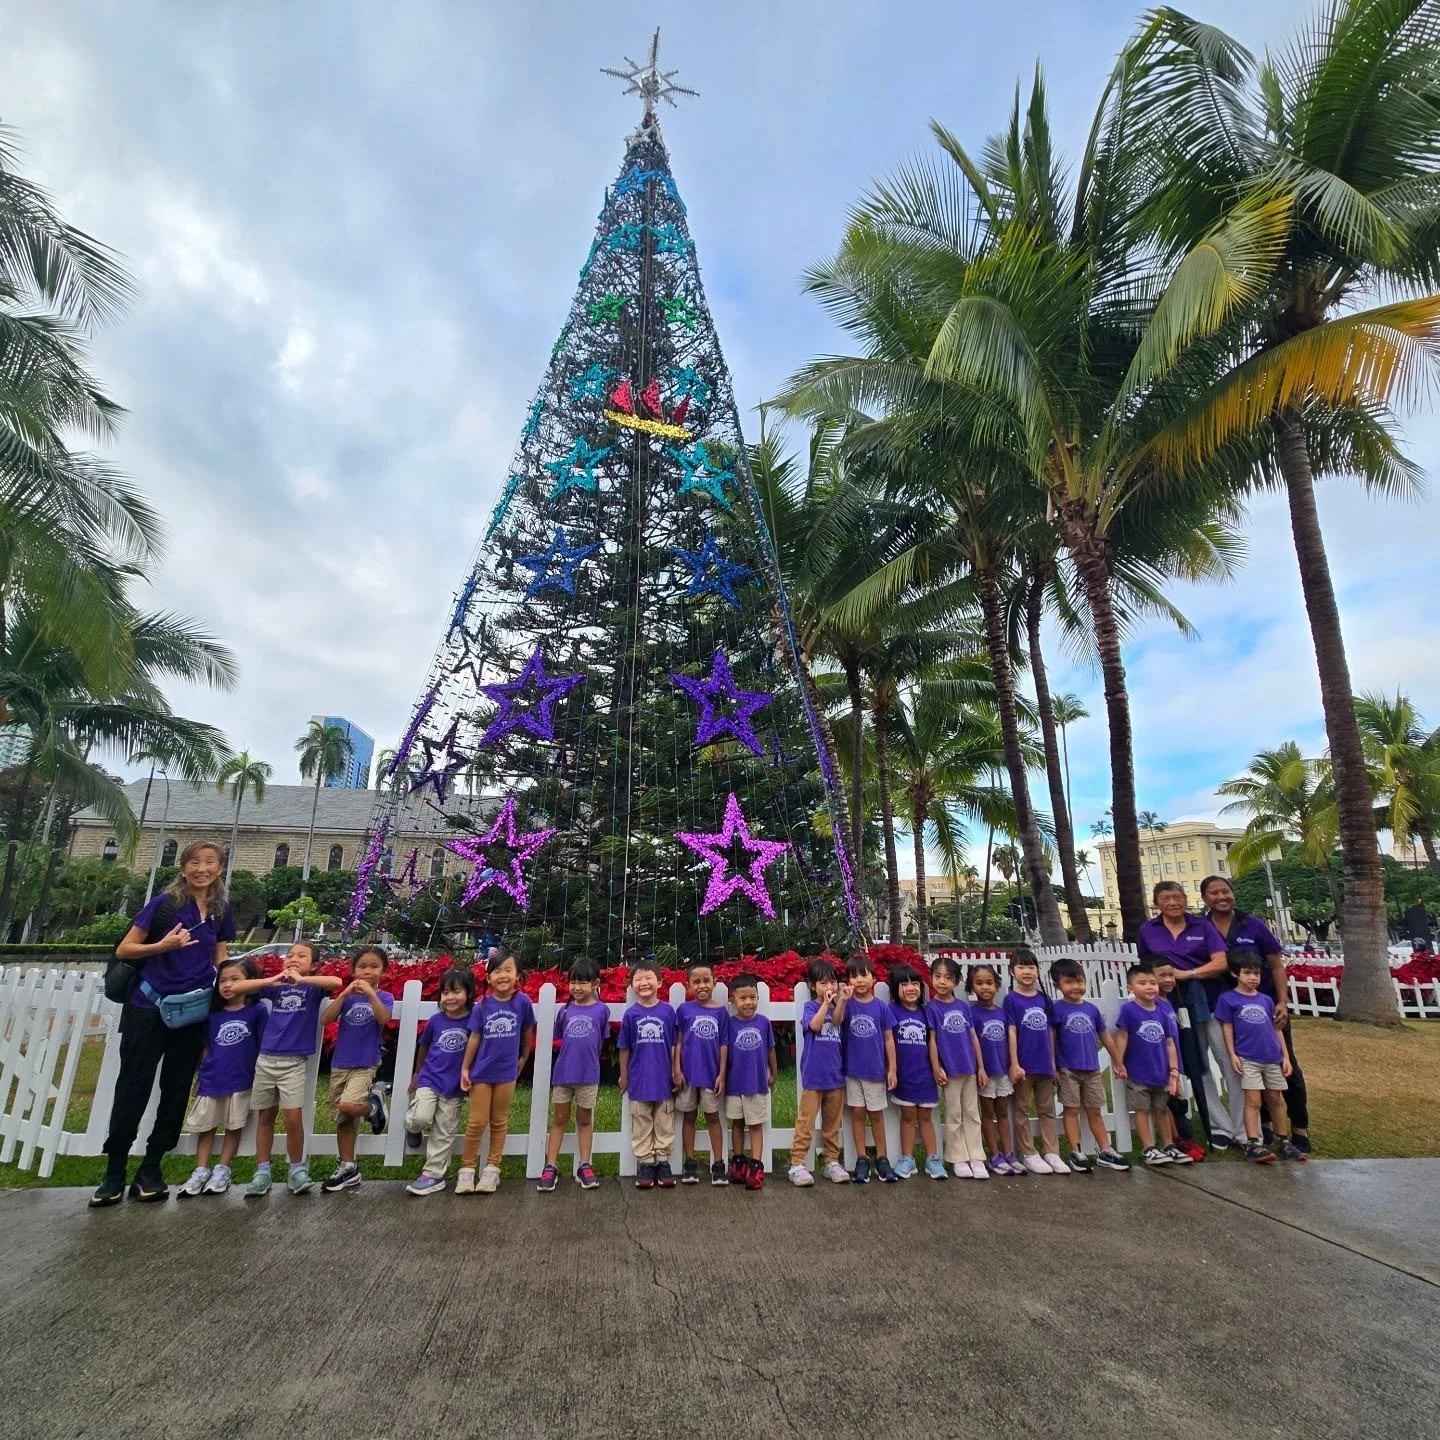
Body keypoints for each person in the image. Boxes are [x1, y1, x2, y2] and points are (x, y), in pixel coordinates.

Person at [91, 840, 238, 1207]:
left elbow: (220, 955)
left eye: (210, 862)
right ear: (183, 867)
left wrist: (231, 981)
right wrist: (164, 947)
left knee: (175, 1090)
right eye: (194, 862)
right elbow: (125, 949)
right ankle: (114, 1171)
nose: (202, 868)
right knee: (133, 1087)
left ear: (219, 868)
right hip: (149, 1008)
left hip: (191, 1013)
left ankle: (151, 1169)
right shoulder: (165, 904)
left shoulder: (220, 910)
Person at [1201, 875, 1310, 1152]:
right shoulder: (1202, 927)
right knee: (1247, 1067)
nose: (1221, 897)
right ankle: (1263, 1126)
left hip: (1265, 1008)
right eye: (1213, 893)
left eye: (1225, 891)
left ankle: (1299, 1126)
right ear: (1205, 899)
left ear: (1233, 893)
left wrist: (1282, 1002)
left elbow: (1276, 966)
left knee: (1285, 1065)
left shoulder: (1253, 925)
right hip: (1228, 1009)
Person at [238, 940, 342, 1197]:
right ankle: (262, 1170)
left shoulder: (312, 989)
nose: (293, 958)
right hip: (266, 1059)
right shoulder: (276, 987)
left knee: (292, 1117)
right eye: (290, 955)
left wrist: (303, 979)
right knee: (265, 1116)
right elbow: (237, 987)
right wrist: (270, 980)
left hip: (293, 1062)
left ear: (313, 965)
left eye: (302, 956)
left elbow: (336, 983)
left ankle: (296, 1169)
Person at [1136, 880, 1236, 1149]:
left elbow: (1221, 961)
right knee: (1198, 1066)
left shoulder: (1202, 926)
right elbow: (1148, 969)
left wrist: (1189, 973)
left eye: (1177, 897)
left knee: (1228, 1062)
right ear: (1157, 903)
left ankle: (1242, 1128)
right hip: (1175, 1006)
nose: (1173, 902)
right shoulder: (1149, 931)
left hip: (1211, 1002)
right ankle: (1218, 1126)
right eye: (1166, 898)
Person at [177, 957, 266, 1198]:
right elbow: (207, 1046)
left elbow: (261, 1045)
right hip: (213, 1078)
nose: (228, 985)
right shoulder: (213, 1014)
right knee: (206, 1125)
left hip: (241, 1078)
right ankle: (201, 1169)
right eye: (223, 980)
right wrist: (202, 1072)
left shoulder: (257, 1011)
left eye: (235, 979)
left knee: (232, 1125)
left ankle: (223, 1168)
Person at [1213, 952, 1307, 1164]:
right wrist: (1232, 1054)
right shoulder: (1228, 999)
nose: (1253, 978)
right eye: (1247, 973)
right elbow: (1227, 1028)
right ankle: (1253, 1141)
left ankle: (1283, 1140)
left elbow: (1277, 1029)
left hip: (1272, 1057)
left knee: (1275, 1098)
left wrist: (1285, 1056)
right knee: (1253, 1100)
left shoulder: (1266, 1000)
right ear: (1235, 973)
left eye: (1256, 973)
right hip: (1248, 1057)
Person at [457, 952, 535, 1195]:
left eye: (508, 970)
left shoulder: (522, 1002)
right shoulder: (483, 1006)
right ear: (489, 977)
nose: (503, 976)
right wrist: (466, 1067)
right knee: (477, 1121)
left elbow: (527, 1030)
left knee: (499, 1120)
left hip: (506, 1071)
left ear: (518, 975)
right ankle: (467, 1169)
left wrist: (524, 1057)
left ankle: (492, 1168)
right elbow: (474, 1038)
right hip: (482, 1071)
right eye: (497, 971)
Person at [320, 945, 394, 1193]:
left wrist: (371, 995)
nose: (367, 971)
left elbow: (384, 1019)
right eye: (362, 966)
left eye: (374, 966)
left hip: (365, 1062)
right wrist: (343, 994)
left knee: (349, 1105)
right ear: (353, 970)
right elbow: (326, 1019)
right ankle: (348, 1166)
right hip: (341, 1063)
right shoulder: (348, 997)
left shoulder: (384, 997)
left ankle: (374, 1106)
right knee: (344, 1118)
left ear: (383, 971)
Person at [1047, 957, 1129, 1173]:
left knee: (1095, 1111)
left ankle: (1105, 1150)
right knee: (1071, 1110)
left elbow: (1105, 1036)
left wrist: (1118, 1061)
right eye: (1070, 982)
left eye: (1080, 982)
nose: (1076, 987)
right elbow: (1051, 1038)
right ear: (1057, 985)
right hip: (1067, 1069)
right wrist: (1052, 1065)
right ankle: (1076, 1151)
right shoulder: (1057, 1009)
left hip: (1091, 1069)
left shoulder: (1092, 1010)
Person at [537, 959, 608, 1193]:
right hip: (564, 1074)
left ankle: (584, 1164)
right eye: (573, 982)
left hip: (588, 1075)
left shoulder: (602, 1010)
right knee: (559, 1119)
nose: (577, 987)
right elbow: (560, 1039)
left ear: (595, 984)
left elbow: (600, 1042)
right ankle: (551, 1166)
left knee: (585, 1119)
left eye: (583, 982)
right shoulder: (565, 1010)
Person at [404, 966, 475, 1196]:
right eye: (445, 993)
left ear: (469, 994)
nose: (450, 997)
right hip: (430, 1078)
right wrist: (417, 1073)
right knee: (420, 1117)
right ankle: (411, 1127)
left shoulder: (473, 1021)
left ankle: (432, 1175)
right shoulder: (436, 1021)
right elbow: (423, 1047)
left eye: (456, 992)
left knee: (444, 1130)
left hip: (454, 1085)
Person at [1113, 961, 1188, 1167]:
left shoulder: (1163, 1012)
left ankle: (1168, 1145)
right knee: (1142, 1111)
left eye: (1152, 983)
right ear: (1131, 988)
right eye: (1143, 983)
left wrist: (1173, 1069)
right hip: (1138, 1072)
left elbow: (1170, 1043)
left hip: (1161, 1072)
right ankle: (1148, 1147)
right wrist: (1119, 1063)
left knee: (1162, 1109)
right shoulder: (1129, 1010)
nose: (1149, 987)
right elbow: (1122, 1037)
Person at [1003, 949, 1067, 1176]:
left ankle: (1052, 1151)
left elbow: (1050, 1032)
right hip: (1023, 1065)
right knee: (1021, 1108)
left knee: (1046, 1108)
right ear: (1012, 972)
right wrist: (1014, 1063)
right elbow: (1011, 1031)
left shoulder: (1044, 1000)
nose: (1027, 972)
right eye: (1021, 967)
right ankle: (1028, 1152)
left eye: (1031, 967)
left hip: (1044, 1065)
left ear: (1038, 971)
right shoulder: (1011, 999)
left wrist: (1052, 1062)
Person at [788, 958, 850, 1187]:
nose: (829, 987)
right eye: (823, 983)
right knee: (806, 1121)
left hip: (835, 1075)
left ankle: (831, 1161)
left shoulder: (837, 1006)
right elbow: (814, 1025)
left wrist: (841, 1000)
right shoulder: (810, 1007)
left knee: (833, 1123)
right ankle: (797, 1163)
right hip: (814, 1076)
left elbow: (836, 1021)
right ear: (813, 986)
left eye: (832, 981)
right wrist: (825, 1003)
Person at [926, 956, 988, 1180]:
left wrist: (980, 1067)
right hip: (950, 1071)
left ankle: (976, 1156)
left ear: (957, 981)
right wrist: (936, 1067)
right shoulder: (931, 1008)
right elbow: (932, 1040)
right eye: (938, 977)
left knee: (972, 1113)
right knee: (953, 1115)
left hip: (969, 1069)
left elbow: (973, 1038)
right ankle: (957, 1157)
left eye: (948, 978)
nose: (942, 982)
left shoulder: (963, 1007)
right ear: (931, 979)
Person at [619, 958, 679, 1190]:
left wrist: (676, 1070)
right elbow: (624, 1048)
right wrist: (624, 1075)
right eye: (638, 979)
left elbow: (675, 1046)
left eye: (649, 978)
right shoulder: (631, 1015)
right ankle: (645, 1163)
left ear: (660, 982)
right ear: (632, 984)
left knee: (664, 1121)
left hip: (664, 1079)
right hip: (639, 1079)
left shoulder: (667, 1012)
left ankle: (662, 1162)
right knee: (641, 1122)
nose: (644, 983)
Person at [841, 953, 897, 1184]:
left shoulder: (881, 1008)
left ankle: (882, 1158)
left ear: (874, 978)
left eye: (864, 975)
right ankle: (862, 1158)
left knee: (876, 1115)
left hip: (875, 1071)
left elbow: (888, 1040)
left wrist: (892, 1068)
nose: (860, 980)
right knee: (857, 1114)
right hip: (853, 1071)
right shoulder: (847, 1006)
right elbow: (836, 1023)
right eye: (854, 976)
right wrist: (842, 1000)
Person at [674, 960, 730, 1185]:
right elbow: (677, 1042)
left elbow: (724, 1044)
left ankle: (718, 1164)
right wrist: (676, 1069)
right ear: (688, 985)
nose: (702, 985)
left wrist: (722, 1074)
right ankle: (690, 1163)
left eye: (706, 980)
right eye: (696, 982)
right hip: (687, 1076)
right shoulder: (684, 1010)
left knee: (712, 1118)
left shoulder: (721, 1012)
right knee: (689, 1117)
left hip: (710, 1075)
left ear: (714, 982)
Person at [887, 963, 943, 1180]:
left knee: (926, 1117)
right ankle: (907, 1158)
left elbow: (932, 1043)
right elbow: (888, 1041)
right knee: (908, 1116)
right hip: (905, 1075)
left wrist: (937, 1069)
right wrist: (891, 1069)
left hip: (925, 1075)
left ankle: (933, 1159)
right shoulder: (892, 1011)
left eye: (914, 983)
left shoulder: (925, 1012)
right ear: (895, 988)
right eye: (904, 984)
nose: (910, 988)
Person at [724, 973, 776, 1191]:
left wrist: (774, 1071)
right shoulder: (729, 1024)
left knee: (755, 1125)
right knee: (736, 1123)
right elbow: (724, 1052)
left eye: (752, 997)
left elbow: (771, 1049)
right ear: (732, 1000)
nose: (748, 1003)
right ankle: (738, 1161)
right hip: (734, 1084)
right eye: (743, 998)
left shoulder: (763, 1023)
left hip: (756, 1084)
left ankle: (755, 1166)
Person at [1153, 963, 1208, 1163]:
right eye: (1162, 975)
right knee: (1168, 1103)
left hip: (1176, 1061)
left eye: (1171, 975)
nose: (1168, 980)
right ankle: (1176, 1140)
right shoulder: (1154, 1003)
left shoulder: (1168, 1002)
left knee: (1178, 1102)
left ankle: (1182, 1139)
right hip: (1163, 1064)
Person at [968, 964, 1017, 1175]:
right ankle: (994, 1153)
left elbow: (1012, 1040)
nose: (985, 987)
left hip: (1003, 1071)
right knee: (987, 1114)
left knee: (1002, 1113)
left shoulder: (1003, 1013)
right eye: (979, 983)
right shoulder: (972, 1014)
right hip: (985, 1073)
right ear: (971, 987)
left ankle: (1008, 1153)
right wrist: (980, 1069)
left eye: (989, 983)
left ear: (997, 986)